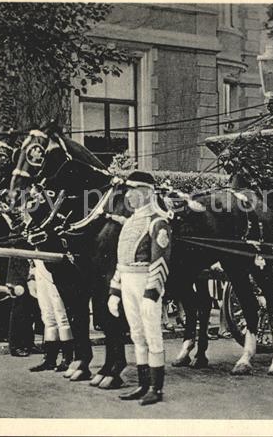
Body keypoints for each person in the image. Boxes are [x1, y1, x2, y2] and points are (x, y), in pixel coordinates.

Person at [107, 171, 172, 406]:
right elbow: (121, 259)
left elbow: (160, 262)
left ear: (145, 193)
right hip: (128, 282)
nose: (128, 196)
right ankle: (143, 385)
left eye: (133, 191)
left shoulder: (158, 222)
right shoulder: (130, 222)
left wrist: (151, 294)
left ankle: (156, 388)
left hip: (145, 283)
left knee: (152, 334)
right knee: (136, 334)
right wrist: (115, 291)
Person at [27, 260, 74, 372]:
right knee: (47, 316)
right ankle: (50, 358)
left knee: (61, 315)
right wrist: (32, 276)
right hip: (39, 268)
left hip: (55, 268)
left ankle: (67, 358)